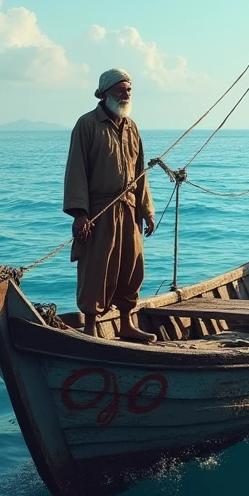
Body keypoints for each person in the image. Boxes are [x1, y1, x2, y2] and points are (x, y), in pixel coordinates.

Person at [63, 68, 156, 342]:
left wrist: (147, 211)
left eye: (128, 90)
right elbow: (76, 170)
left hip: (129, 209)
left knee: (131, 266)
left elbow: (140, 172)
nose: (126, 94)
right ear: (104, 94)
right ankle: (91, 327)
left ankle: (126, 323)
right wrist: (80, 214)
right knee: (96, 268)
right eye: (120, 90)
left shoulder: (132, 127)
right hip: (98, 211)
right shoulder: (87, 124)